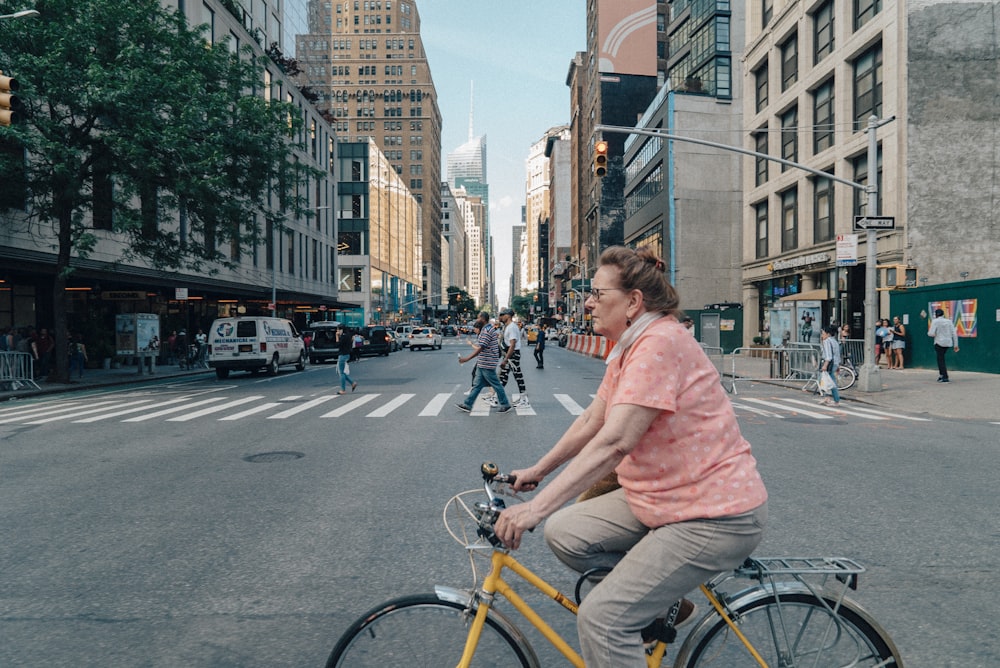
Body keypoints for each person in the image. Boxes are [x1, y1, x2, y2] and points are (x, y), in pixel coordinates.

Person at [493, 246, 768, 667]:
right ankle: (662, 604)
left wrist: (534, 508)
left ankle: (638, 608)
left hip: (711, 514)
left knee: (602, 619)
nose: (588, 301)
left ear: (634, 302)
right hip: (664, 497)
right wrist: (538, 471)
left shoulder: (659, 343)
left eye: (598, 294)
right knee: (564, 531)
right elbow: (592, 421)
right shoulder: (628, 345)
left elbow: (616, 441)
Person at [456, 311, 513, 415]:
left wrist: (466, 359)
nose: (477, 320)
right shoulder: (487, 329)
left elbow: (481, 348)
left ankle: (505, 404)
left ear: (482, 319)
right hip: (483, 362)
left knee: (496, 385)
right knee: (477, 385)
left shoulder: (486, 331)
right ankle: (468, 404)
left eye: (478, 318)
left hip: (487, 362)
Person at [495, 308, 529, 407]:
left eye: (502, 314)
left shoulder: (512, 327)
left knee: (516, 376)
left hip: (512, 355)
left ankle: (523, 399)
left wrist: (506, 359)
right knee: (504, 377)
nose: (500, 317)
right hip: (510, 355)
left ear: (508, 316)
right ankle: (498, 398)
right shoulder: (507, 327)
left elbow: (512, 344)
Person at [927, 308, 959, 383]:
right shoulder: (949, 321)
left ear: (936, 315)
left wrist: (933, 334)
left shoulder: (935, 321)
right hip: (948, 343)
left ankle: (944, 376)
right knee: (941, 358)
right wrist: (956, 345)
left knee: (940, 359)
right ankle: (942, 375)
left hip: (939, 342)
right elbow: (954, 333)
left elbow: (931, 333)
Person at [818, 324, 842, 406]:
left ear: (828, 334)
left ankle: (836, 400)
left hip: (829, 364)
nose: (822, 335)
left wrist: (825, 365)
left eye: (823, 333)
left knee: (830, 382)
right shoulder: (834, 341)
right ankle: (827, 398)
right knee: (826, 381)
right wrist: (838, 365)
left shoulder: (827, 341)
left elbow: (828, 356)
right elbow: (837, 354)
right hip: (835, 363)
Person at [336, 326, 358, 394]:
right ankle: (352, 383)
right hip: (347, 354)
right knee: (342, 372)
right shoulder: (348, 336)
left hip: (342, 355)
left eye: (338, 330)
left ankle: (343, 390)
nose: (338, 331)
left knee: (341, 373)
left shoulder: (343, 337)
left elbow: (338, 344)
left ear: (342, 330)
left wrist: (337, 336)